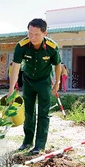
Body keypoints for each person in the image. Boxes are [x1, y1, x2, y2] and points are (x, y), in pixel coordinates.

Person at [7, 18, 61, 155]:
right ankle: (27, 142)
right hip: (28, 81)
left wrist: (57, 82)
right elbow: (16, 67)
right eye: (30, 33)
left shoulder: (52, 47)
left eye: (36, 34)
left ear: (45, 33)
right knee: (29, 112)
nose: (32, 37)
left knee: (43, 113)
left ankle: (39, 145)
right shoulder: (21, 46)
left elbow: (57, 65)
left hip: (44, 82)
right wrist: (11, 89)